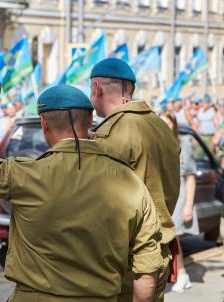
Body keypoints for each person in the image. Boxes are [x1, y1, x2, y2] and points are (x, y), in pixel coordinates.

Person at [0, 73, 163, 302]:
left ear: (43, 123)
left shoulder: (24, 175)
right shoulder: (130, 182)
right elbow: (147, 270)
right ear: (91, 119)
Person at [90, 58, 181, 302]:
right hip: (159, 251)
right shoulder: (159, 125)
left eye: (91, 90)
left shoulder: (112, 133)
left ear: (97, 88)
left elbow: (100, 204)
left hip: (126, 257)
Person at [159, 111, 197, 293]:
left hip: (180, 196)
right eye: (161, 123)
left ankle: (182, 274)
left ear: (174, 125)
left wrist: (189, 205)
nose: (165, 127)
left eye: (168, 123)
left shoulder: (183, 145)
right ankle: (177, 275)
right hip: (165, 195)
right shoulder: (157, 145)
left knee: (174, 237)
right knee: (169, 237)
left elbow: (190, 177)